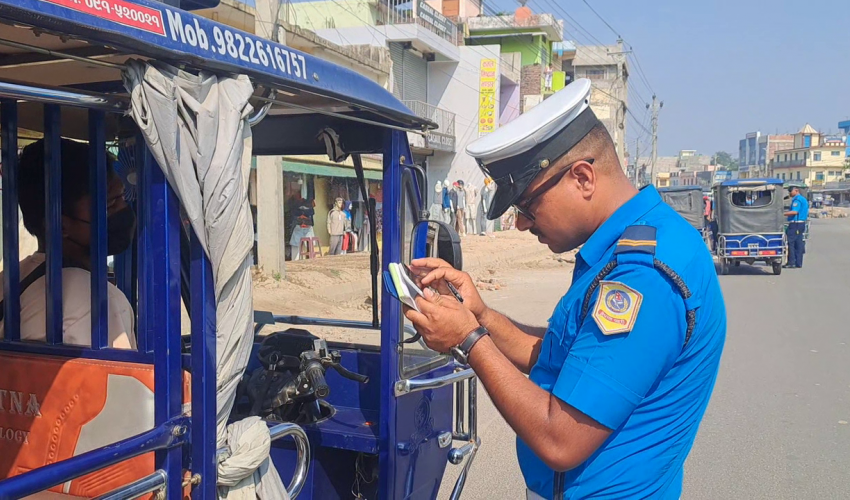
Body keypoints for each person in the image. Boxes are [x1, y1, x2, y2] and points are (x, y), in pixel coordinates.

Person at [403, 80, 726, 499]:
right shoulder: (627, 243)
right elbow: (565, 361)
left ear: (583, 178)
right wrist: (480, 316)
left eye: (527, 206)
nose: (520, 223)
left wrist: (469, 339)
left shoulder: (642, 276)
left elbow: (561, 440)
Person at [0, 139, 137, 349]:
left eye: (122, 198)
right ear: (60, 225)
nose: (122, 209)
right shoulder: (94, 298)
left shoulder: (11, 279)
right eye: (110, 203)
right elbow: (119, 379)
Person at [784, 186, 809, 269]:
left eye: (790, 191)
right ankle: (798, 263)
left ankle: (791, 262)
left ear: (796, 190)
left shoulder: (797, 200)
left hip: (795, 224)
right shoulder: (803, 199)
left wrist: (783, 213)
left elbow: (795, 211)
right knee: (799, 244)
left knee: (791, 243)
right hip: (801, 224)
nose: (789, 193)